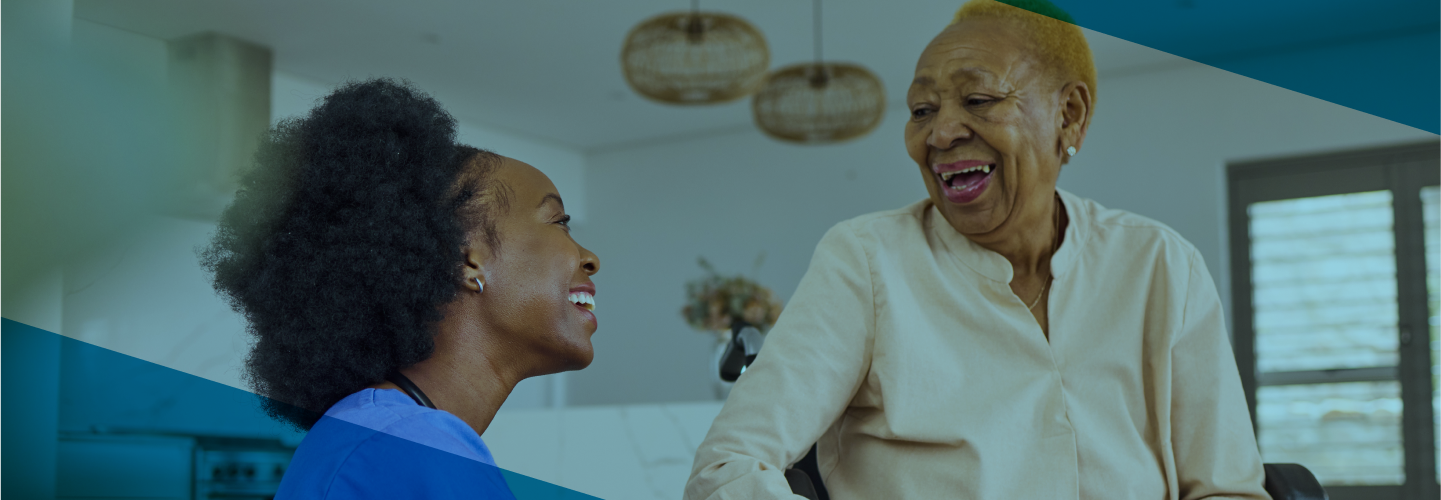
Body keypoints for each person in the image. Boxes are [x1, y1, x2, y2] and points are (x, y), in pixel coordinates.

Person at [683, 1, 1269, 498]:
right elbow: (726, 468)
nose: (940, 135)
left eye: (979, 100)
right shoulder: (865, 259)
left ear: (1069, 115)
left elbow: (1225, 488)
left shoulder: (1162, 265)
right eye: (922, 110)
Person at [202, 78, 600, 498]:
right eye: (558, 222)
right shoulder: (411, 447)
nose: (590, 257)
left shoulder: (385, 436)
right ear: (466, 258)